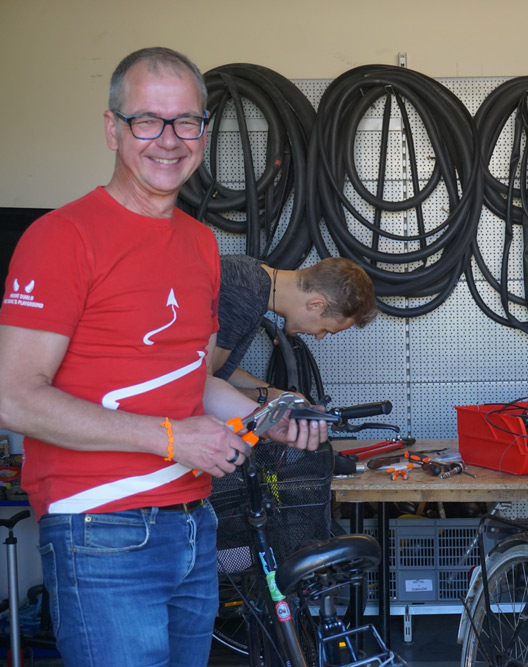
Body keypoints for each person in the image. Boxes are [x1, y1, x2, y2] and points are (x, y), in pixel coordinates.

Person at [0, 47, 323, 666]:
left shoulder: (200, 244)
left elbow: (190, 381)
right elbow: (15, 397)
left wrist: (275, 412)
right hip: (100, 529)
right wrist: (174, 440)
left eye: (187, 122)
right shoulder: (61, 238)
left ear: (204, 131)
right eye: (148, 120)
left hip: (191, 522)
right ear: (112, 128)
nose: (169, 140)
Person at [213, 254, 377, 404]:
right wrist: (263, 397)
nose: (319, 337)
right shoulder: (244, 297)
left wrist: (276, 394)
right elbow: (198, 384)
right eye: (325, 329)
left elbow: (216, 370)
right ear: (316, 305)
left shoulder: (250, 276)